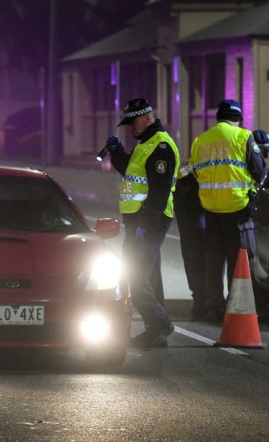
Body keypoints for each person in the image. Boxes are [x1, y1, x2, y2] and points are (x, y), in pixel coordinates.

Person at [104, 98, 179, 348]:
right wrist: (116, 152)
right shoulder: (145, 144)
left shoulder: (161, 147)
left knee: (134, 277)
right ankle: (155, 332)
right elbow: (131, 171)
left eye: (133, 122)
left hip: (149, 220)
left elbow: (159, 192)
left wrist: (144, 225)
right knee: (149, 277)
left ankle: (160, 323)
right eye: (127, 124)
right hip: (139, 219)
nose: (130, 128)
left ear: (147, 118)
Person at [189, 99, 265, 321]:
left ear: (218, 117)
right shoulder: (244, 136)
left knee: (213, 260)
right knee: (238, 260)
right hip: (237, 209)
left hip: (210, 210)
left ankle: (213, 306)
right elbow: (259, 170)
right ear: (238, 119)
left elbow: (193, 171)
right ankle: (237, 307)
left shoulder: (200, 140)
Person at [174, 162, 206, 320]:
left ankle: (203, 299)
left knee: (195, 256)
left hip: (197, 212)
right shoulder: (191, 164)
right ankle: (204, 299)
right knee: (197, 256)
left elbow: (179, 177)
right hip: (195, 212)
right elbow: (180, 177)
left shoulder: (193, 161)